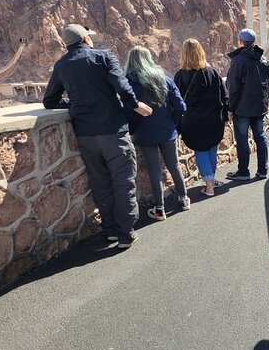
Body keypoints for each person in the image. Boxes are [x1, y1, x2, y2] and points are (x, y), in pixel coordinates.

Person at [43, 24, 152, 249]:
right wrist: (135, 104)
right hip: (114, 131)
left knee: (101, 182)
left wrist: (74, 103)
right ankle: (126, 233)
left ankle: (110, 230)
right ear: (85, 39)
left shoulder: (61, 65)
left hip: (85, 135)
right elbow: (121, 86)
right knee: (123, 182)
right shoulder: (103, 57)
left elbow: (49, 101)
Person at [124, 46, 190, 221]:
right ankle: (184, 199)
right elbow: (181, 107)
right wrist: (172, 124)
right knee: (174, 165)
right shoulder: (164, 79)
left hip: (144, 134)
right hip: (167, 131)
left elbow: (127, 112)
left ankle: (159, 209)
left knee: (154, 171)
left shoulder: (128, 83)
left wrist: (133, 129)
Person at [174, 39, 228, 196]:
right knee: (212, 148)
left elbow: (176, 101)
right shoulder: (212, 72)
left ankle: (209, 186)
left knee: (201, 150)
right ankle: (212, 179)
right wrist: (226, 113)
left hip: (193, 121)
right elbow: (224, 95)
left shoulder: (180, 76)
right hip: (213, 119)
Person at [226, 28, 269, 181]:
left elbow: (233, 87)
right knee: (260, 137)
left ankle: (243, 172)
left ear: (240, 41)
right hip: (259, 106)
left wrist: (230, 107)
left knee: (242, 138)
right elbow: (268, 84)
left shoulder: (238, 60)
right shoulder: (263, 59)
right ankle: (262, 170)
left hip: (242, 108)